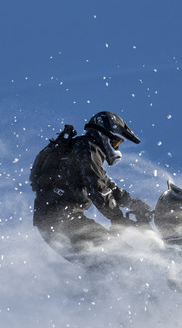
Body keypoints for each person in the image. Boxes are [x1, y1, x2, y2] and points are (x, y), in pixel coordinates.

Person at [32, 111, 153, 261]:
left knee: (104, 260)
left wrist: (132, 203)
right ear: (105, 135)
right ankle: (136, 272)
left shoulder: (83, 148)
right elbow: (97, 188)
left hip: (56, 219)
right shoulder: (88, 148)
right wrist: (117, 218)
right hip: (61, 219)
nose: (116, 148)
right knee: (121, 255)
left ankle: (111, 276)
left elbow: (105, 183)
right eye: (116, 142)